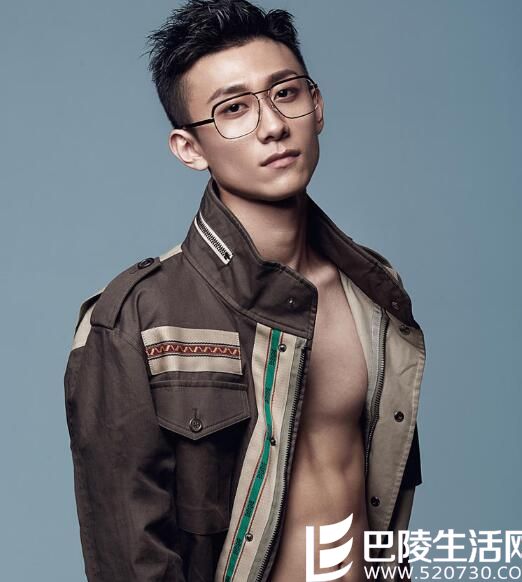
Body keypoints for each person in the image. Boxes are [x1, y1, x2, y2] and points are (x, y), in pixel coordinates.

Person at [63, 1, 426, 581]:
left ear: (318, 106)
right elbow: (128, 557)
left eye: (286, 93)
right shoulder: (135, 319)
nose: (272, 125)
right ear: (189, 149)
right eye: (233, 109)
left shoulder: (374, 292)